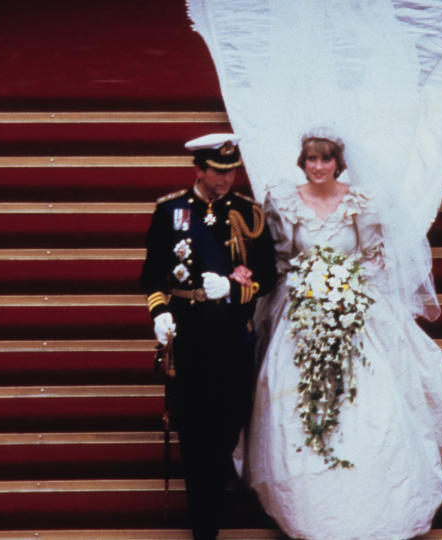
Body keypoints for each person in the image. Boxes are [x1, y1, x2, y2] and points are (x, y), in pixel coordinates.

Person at [239, 132, 442, 540]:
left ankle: (373, 496)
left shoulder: (360, 202)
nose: (318, 167)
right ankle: (309, 505)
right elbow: (281, 260)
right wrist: (308, 289)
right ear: (302, 161)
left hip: (355, 309)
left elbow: (373, 257)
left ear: (338, 162)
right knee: (297, 402)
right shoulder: (283, 200)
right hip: (301, 312)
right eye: (311, 159)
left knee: (370, 404)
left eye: (325, 160)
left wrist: (344, 288)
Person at [139, 133, 277, 540]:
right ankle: (204, 524)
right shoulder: (171, 211)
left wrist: (235, 291)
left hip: (233, 337)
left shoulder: (249, 214)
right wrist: (159, 311)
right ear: (198, 169)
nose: (227, 178)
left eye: (231, 170)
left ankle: (211, 496)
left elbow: (268, 275)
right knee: (194, 431)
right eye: (218, 171)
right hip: (189, 340)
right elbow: (151, 274)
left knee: (228, 425)